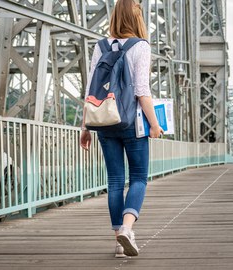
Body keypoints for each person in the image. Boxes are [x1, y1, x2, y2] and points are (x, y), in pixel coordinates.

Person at [79, 0, 163, 258]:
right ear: (137, 18)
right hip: (133, 123)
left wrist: (84, 126)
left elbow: (90, 89)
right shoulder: (141, 46)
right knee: (138, 177)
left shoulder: (100, 45)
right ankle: (128, 228)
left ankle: (118, 242)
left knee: (115, 181)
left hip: (104, 121)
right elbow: (141, 91)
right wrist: (156, 124)